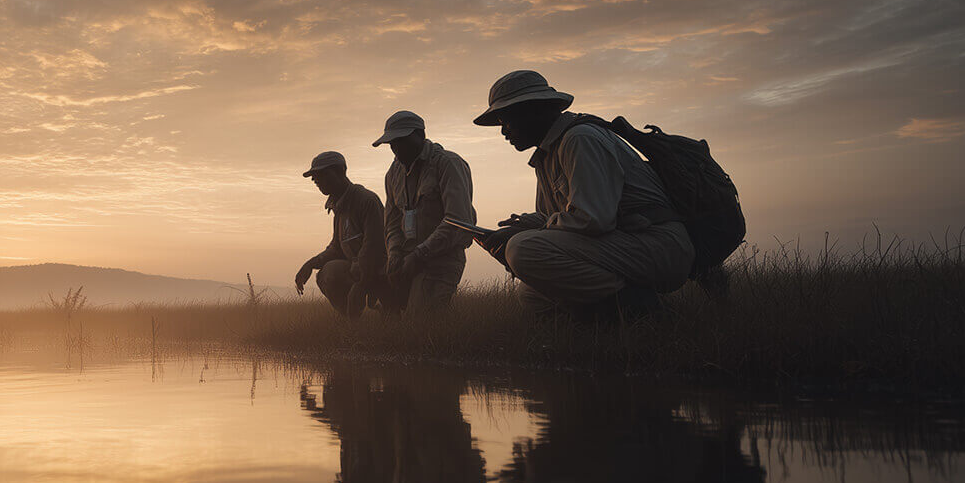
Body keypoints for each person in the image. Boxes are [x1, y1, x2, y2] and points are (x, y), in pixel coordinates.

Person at [472, 70, 694, 318]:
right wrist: (521, 226)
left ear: (532, 110)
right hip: (624, 243)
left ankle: (648, 312)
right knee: (531, 294)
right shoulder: (547, 156)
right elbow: (555, 217)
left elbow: (592, 219)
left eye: (506, 121)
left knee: (522, 250)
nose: (504, 133)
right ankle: (608, 324)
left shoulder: (580, 139)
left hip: (656, 244)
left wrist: (521, 236)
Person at [371, 111, 476, 312]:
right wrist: (393, 254)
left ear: (420, 135)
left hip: (442, 256)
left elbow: (458, 222)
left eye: (402, 140)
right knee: (367, 276)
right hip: (406, 255)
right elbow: (392, 223)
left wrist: (419, 255)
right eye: (391, 143)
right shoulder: (393, 173)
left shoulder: (448, 164)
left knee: (421, 321)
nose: (396, 148)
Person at [294, 151, 388, 316]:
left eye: (321, 174)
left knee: (334, 273)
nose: (315, 180)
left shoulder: (366, 200)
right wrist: (311, 264)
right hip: (358, 271)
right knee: (327, 273)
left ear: (340, 172)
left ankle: (379, 310)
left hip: (380, 272)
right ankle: (352, 320)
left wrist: (360, 286)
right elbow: (337, 247)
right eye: (314, 176)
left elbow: (374, 247)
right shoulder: (338, 206)